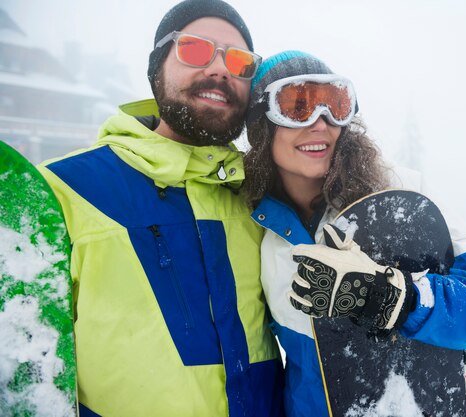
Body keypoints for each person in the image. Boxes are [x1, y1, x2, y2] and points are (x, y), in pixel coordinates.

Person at [243, 50, 466, 417]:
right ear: (261, 124)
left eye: (335, 105)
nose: (320, 123)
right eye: (298, 105)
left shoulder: (404, 195)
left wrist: (397, 299)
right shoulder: (257, 229)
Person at [37, 1, 284, 416]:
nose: (220, 69)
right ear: (157, 69)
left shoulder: (260, 200)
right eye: (195, 49)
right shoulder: (65, 190)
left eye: (240, 61)